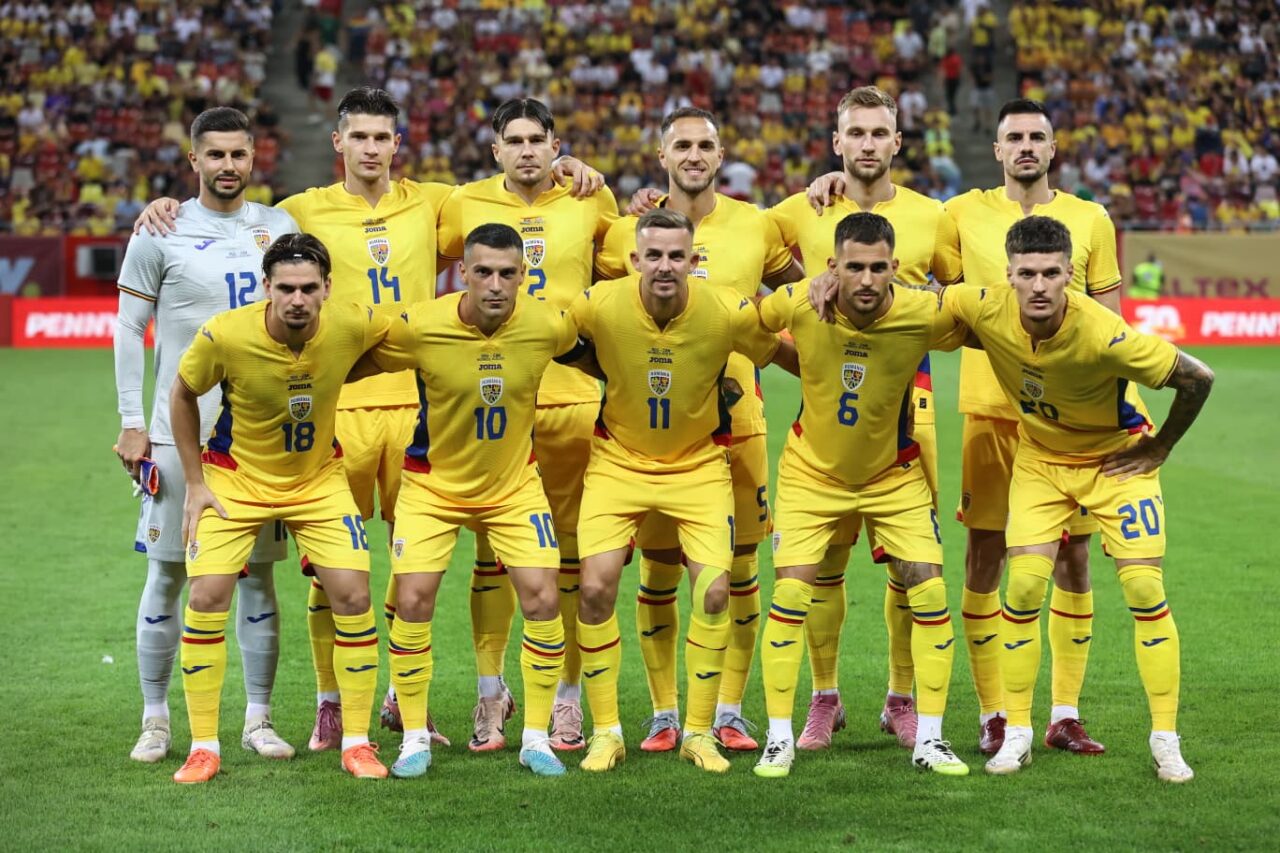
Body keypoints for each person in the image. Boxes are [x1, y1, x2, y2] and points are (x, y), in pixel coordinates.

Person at [135, 87, 601, 750]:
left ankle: (402, 699)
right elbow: (235, 223)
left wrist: (568, 165)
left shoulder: (435, 201)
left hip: (418, 406)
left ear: (397, 144)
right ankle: (330, 702)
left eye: (383, 137)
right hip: (340, 409)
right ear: (339, 143)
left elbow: (508, 193)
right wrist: (170, 209)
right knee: (333, 570)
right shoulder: (301, 210)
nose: (372, 148)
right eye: (360, 137)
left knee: (414, 566)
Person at [810, 98, 1126, 755]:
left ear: (1053, 147)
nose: (1026, 146)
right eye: (1014, 137)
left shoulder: (1091, 218)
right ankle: (994, 714)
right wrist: (833, 182)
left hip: (1073, 421)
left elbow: (1113, 325)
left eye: (1037, 136)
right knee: (985, 555)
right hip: (991, 410)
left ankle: (1065, 712)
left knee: (1073, 557)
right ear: (998, 149)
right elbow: (919, 272)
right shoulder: (957, 214)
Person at [937, 216, 1212, 782]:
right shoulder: (983, 305)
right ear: (1008, 274)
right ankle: (1017, 732)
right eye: (1028, 274)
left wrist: (1159, 447)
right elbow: (925, 297)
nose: (1039, 285)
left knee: (1144, 589)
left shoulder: (1105, 332)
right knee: (1023, 587)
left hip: (1116, 462)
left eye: (1051, 274)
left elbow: (1197, 377)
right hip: (1041, 463)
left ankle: (1165, 739)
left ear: (1070, 275)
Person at [352, 223, 593, 778]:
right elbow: (353, 361)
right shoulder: (421, 325)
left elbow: (597, 358)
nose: (495, 284)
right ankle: (414, 736)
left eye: (507, 273)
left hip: (513, 486)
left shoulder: (547, 325)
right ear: (462, 272)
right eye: (483, 271)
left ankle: (535, 738)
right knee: (413, 600)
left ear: (524, 275)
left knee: (543, 598)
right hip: (432, 486)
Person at [597, 108, 803, 754]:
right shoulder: (625, 232)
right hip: (656, 433)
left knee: (737, 572)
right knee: (658, 571)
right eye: (681, 144)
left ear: (720, 155)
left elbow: (799, 302)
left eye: (704, 145)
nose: (693, 154)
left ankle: (729, 711)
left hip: (739, 425)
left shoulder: (757, 225)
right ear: (662, 155)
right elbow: (599, 315)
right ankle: (665, 713)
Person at [752, 212, 968, 778]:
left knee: (928, 589)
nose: (867, 279)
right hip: (812, 474)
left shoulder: (921, 312)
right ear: (833, 267)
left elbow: (982, 317)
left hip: (893, 474)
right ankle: (781, 736)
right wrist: (799, 355)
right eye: (854, 268)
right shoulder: (800, 302)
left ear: (895, 268)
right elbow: (743, 323)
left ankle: (931, 737)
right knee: (793, 591)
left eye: (877, 268)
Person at [768, 85, 951, 753]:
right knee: (823, 563)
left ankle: (901, 699)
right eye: (856, 133)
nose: (868, 144)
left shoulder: (934, 216)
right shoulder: (803, 209)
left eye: (879, 133)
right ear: (837, 142)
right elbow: (731, 245)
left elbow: (956, 296)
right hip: (830, 405)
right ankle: (825, 697)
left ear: (897, 141)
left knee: (912, 568)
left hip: (909, 410)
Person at [169, 233, 391, 783]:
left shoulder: (351, 322)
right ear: (265, 286)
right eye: (286, 288)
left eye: (308, 288)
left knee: (354, 594)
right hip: (235, 477)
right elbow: (182, 392)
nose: (297, 299)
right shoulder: (225, 334)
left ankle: (357, 743)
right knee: (206, 595)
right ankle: (204, 746)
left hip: (318, 479)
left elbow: (412, 335)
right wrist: (194, 483)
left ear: (327, 288)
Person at [113, 107, 297, 766]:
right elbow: (129, 328)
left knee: (257, 578)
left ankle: (258, 718)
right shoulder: (159, 231)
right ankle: (155, 719)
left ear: (253, 157)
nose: (227, 165)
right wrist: (132, 421)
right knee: (168, 574)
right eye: (214, 154)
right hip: (175, 435)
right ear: (193, 159)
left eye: (237, 154)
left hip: (259, 436)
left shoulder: (280, 227)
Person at [434, 98, 618, 754]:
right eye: (513, 141)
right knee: (490, 553)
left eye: (538, 139)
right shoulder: (462, 203)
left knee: (566, 554)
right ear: (495, 150)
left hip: (571, 399)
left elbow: (628, 264)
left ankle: (566, 696)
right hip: (492, 401)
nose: (527, 150)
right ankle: (492, 691)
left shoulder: (591, 198)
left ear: (555, 145)